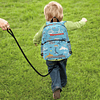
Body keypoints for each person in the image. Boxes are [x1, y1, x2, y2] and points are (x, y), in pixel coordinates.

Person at [33, 1, 87, 99]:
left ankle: (56, 86)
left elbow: (38, 35)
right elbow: (76, 25)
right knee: (62, 67)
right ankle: (63, 82)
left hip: (49, 55)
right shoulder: (65, 24)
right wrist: (83, 20)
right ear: (61, 15)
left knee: (53, 69)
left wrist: (35, 41)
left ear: (46, 16)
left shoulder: (45, 26)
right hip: (63, 54)